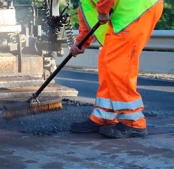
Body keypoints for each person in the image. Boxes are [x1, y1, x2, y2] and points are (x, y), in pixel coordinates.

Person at [69, 0, 163, 138]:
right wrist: (82, 40)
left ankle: (133, 122)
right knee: (107, 62)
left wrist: (103, 10)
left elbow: (100, 7)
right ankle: (104, 116)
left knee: (119, 65)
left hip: (136, 8)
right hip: (125, 12)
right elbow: (87, 9)